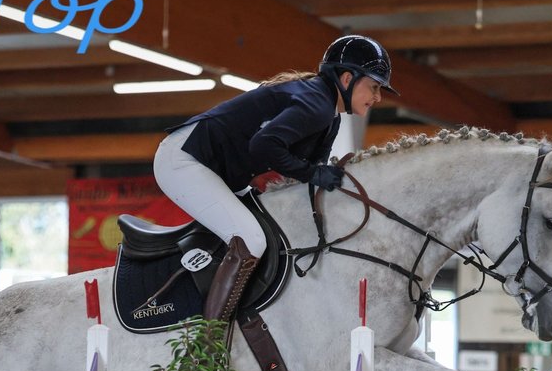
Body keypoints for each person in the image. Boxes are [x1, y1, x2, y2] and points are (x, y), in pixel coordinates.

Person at [153, 35, 397, 323]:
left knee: (271, 229)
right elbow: (264, 146)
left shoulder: (329, 116)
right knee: (251, 239)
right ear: (347, 78)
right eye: (374, 86)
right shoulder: (317, 104)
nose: (378, 97)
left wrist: (321, 178)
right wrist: (312, 173)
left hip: (214, 169)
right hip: (184, 160)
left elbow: (311, 174)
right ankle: (208, 343)